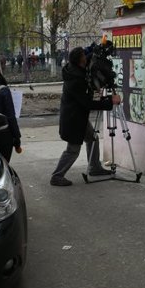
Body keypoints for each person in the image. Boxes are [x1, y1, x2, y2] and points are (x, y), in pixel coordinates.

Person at [50, 46, 121, 186]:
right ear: (80, 60)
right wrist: (109, 101)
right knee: (73, 149)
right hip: (73, 119)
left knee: (92, 139)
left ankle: (94, 167)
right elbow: (87, 103)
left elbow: (89, 55)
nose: (86, 57)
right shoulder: (76, 80)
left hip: (78, 117)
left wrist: (99, 46)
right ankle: (57, 176)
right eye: (84, 56)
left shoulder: (73, 68)